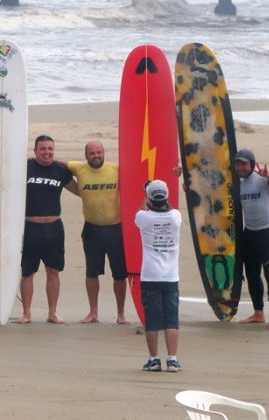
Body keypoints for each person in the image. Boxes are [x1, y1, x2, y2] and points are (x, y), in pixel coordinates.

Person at [15, 135, 78, 324]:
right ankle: (26, 313)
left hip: (54, 228)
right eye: (43, 149)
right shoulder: (24, 167)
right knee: (28, 272)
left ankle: (52, 312)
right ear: (35, 151)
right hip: (30, 227)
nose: (47, 152)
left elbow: (80, 192)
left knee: (53, 270)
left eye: (50, 148)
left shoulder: (60, 170)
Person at [66, 140, 128, 324]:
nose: (96, 156)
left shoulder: (116, 169)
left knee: (119, 274)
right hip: (92, 229)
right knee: (91, 272)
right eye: (92, 153)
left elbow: (142, 172)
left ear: (104, 153)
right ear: (86, 156)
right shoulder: (79, 168)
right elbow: (55, 165)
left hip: (116, 229)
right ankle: (93, 312)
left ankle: (121, 314)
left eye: (99, 152)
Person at [234, 148, 269, 332]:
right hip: (250, 232)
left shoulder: (263, 179)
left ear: (252, 164)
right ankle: (258, 313)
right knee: (252, 274)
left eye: (243, 163)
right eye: (237, 163)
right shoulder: (237, 183)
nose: (240, 166)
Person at [135, 179, 182, 372]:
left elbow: (142, 209)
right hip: (170, 276)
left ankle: (154, 359)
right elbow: (167, 207)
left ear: (149, 197)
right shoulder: (175, 217)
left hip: (150, 275)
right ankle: (172, 359)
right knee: (171, 319)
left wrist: (146, 193)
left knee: (152, 320)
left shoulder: (143, 218)